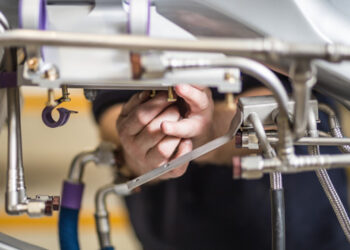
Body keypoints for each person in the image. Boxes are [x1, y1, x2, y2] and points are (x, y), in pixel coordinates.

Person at [93, 74, 349, 250]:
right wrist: (142, 145)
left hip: (302, 230)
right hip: (171, 233)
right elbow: (112, 110)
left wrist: (212, 131)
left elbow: (300, 102)